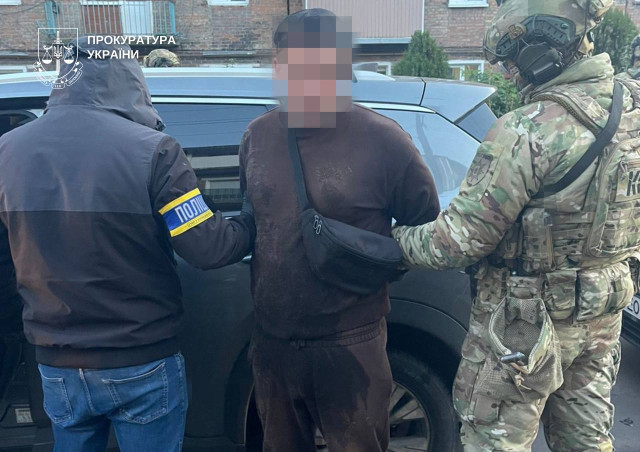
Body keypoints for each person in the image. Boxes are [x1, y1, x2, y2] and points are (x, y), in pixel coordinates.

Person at [393, 0, 640, 451]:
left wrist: (392, 240)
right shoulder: (633, 108)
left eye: (511, 61)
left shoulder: (528, 129)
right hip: (602, 314)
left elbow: (456, 243)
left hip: (525, 324)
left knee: (494, 442)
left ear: (541, 51)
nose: (509, 74)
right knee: (586, 442)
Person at [0, 38, 254, 452]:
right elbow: (208, 248)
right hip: (139, 358)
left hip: (56, 360)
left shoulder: (6, 150)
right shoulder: (154, 151)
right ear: (129, 80)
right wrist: (252, 221)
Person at [240, 8, 440, 452]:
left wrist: (370, 262)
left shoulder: (384, 140)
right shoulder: (257, 136)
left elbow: (425, 225)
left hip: (352, 346)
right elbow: (253, 217)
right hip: (273, 346)